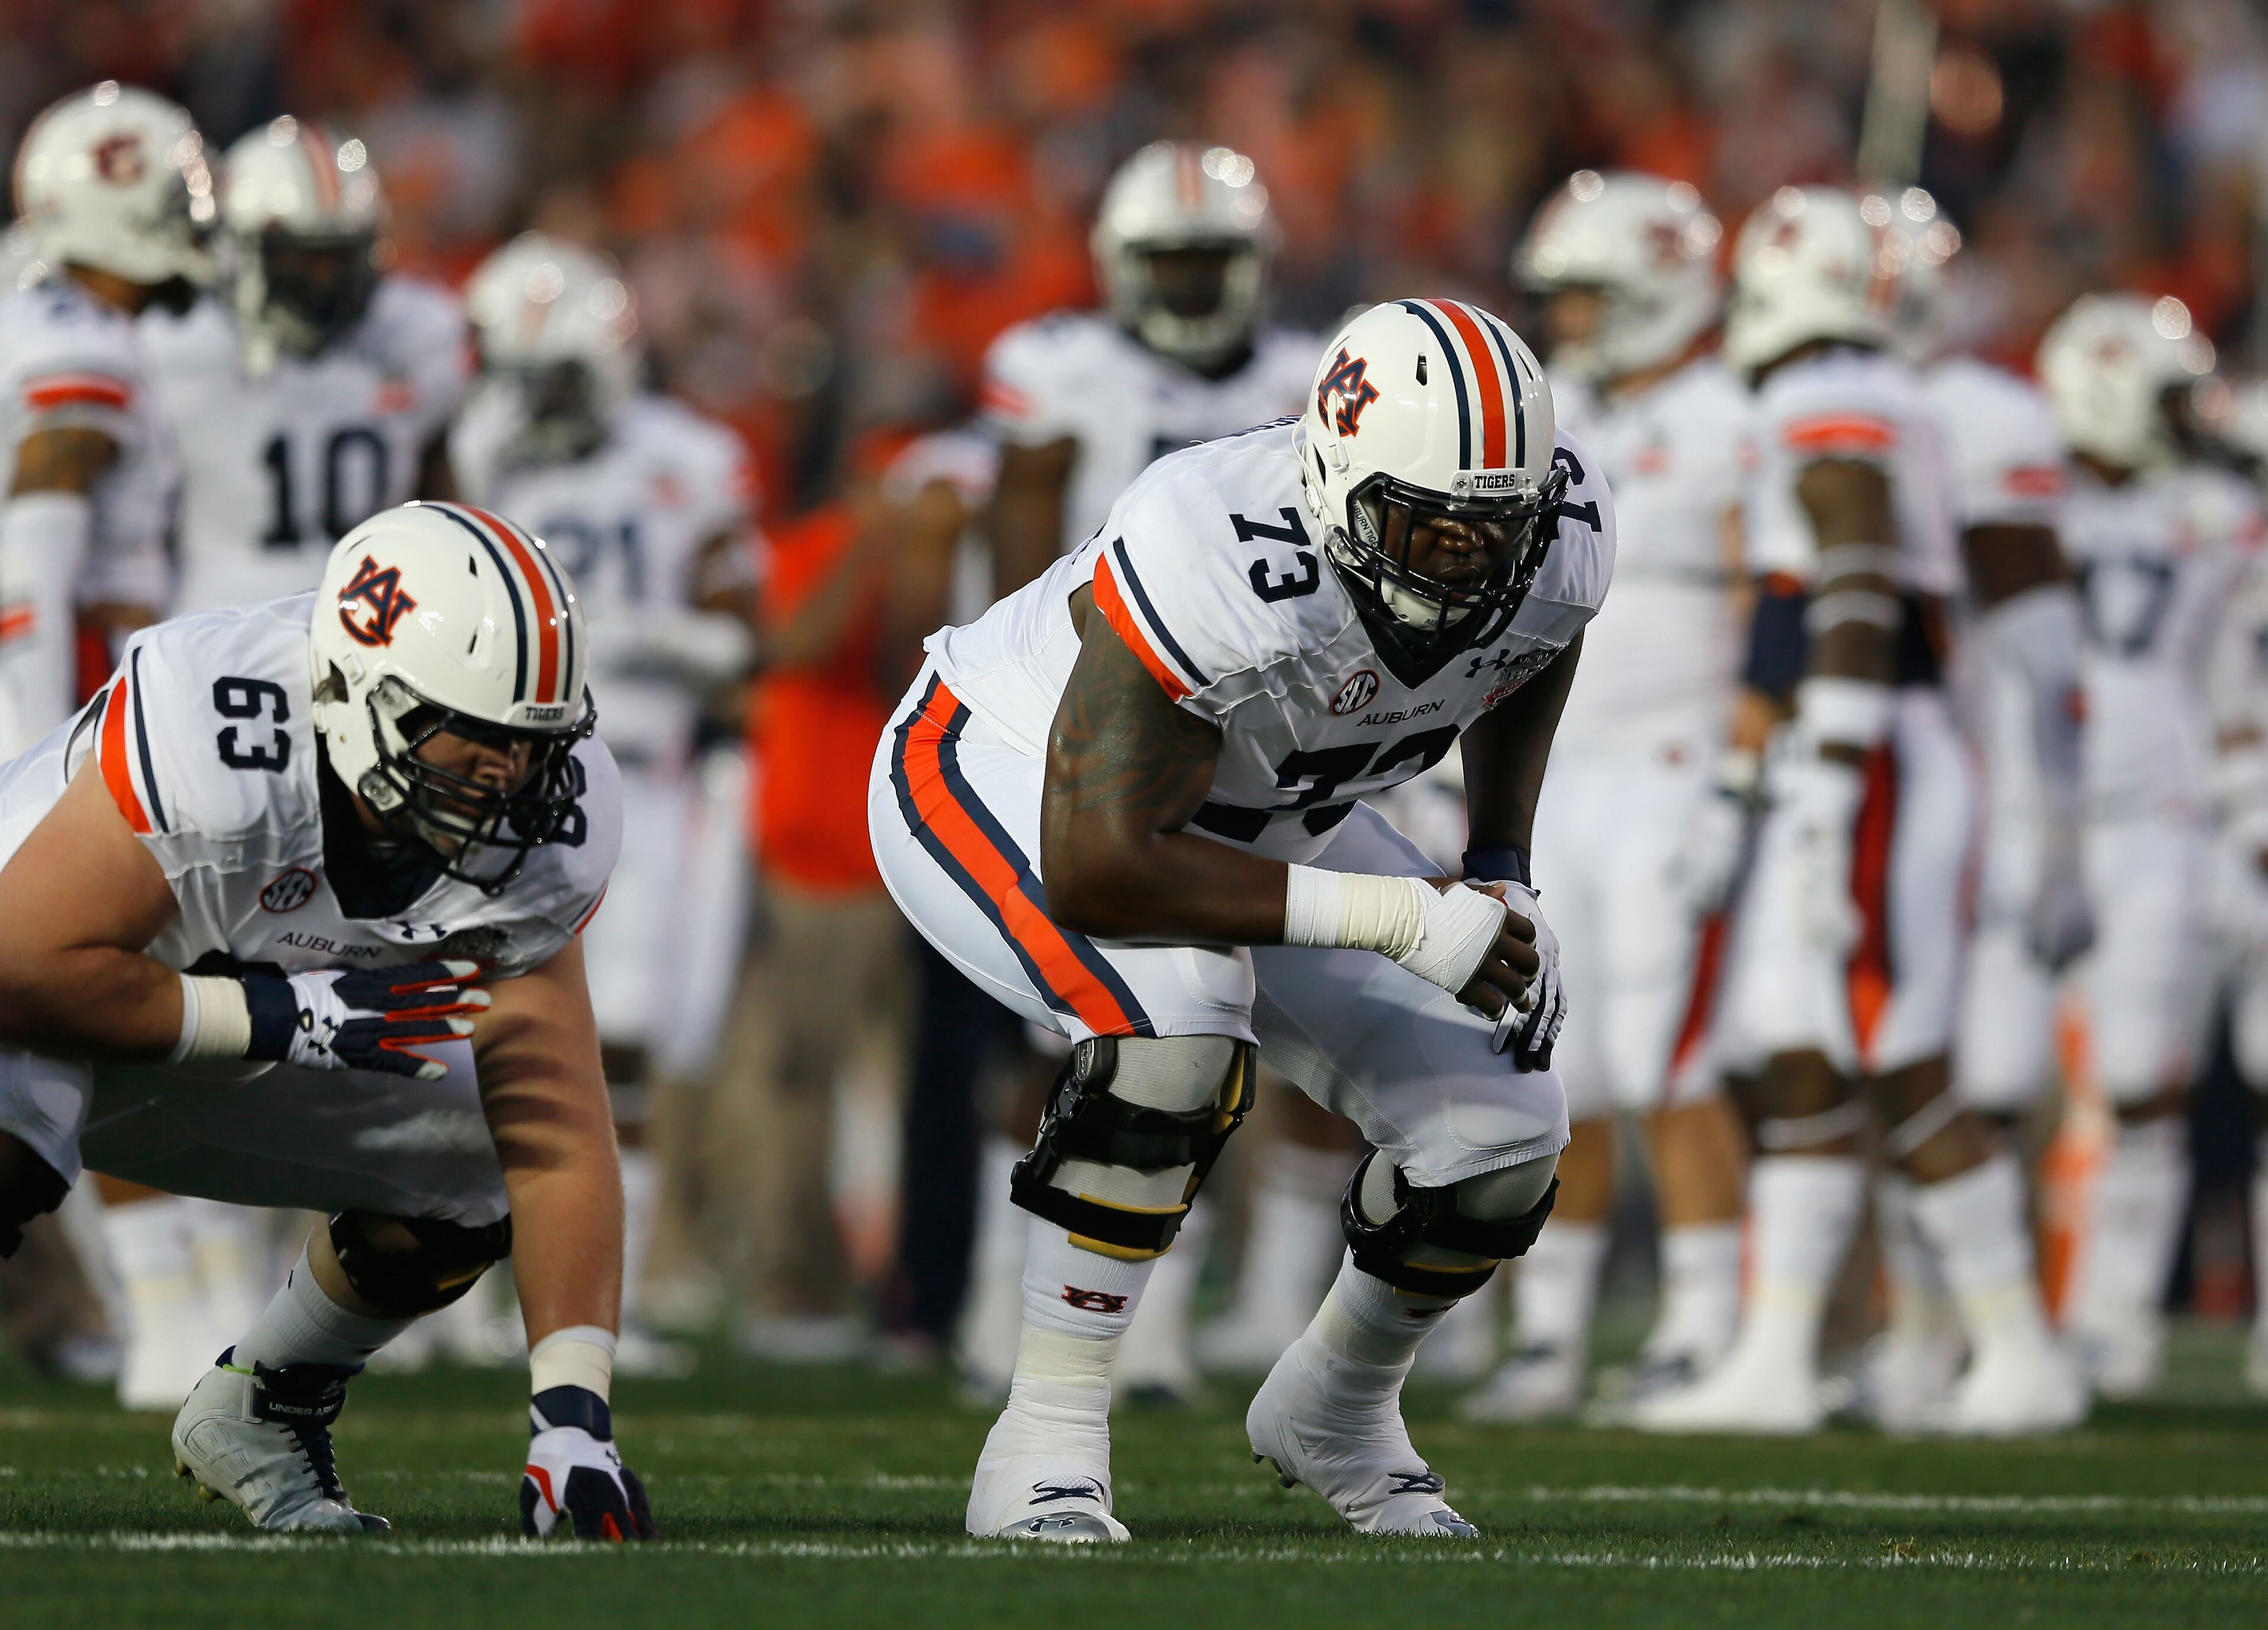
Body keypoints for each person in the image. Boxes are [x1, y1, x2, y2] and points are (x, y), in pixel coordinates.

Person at [871, 297, 1614, 1540]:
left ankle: (1339, 1406)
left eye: (1492, 533)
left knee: (1504, 1125)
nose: (1462, 563)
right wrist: (1402, 918)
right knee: (1179, 1022)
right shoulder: (1210, 532)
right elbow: (1104, 865)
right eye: (1424, 527)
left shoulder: (1562, 529)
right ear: (1333, 481)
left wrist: (1497, 868)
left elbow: (1533, 649)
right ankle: (1045, 1431)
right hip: (1006, 770)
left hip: (1267, 816)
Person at [0, 503, 651, 1541]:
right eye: (477, 741)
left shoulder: (543, 827)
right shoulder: (223, 723)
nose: (510, 781)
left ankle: (263, 1406)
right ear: (354, 694)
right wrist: (271, 1017)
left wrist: (574, 1420)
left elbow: (560, 1129)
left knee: (484, 1148)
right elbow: (21, 968)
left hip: (232, 1031)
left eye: (532, 748)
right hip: (54, 1001)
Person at [1635, 187, 2083, 1437]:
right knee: (1800, 1039)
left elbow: (1854, 577)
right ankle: (1778, 1353)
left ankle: (2016, 1349)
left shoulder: (1839, 395)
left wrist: (1828, 781)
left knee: (1895, 1045)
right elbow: (1791, 619)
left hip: (1878, 749)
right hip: (1851, 745)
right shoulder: (1853, 395)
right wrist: (1748, 783)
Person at [117, 115, 471, 1407]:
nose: (324, 279)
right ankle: (184, 1297)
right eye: (297, 253)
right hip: (216, 676)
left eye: (340, 252)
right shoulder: (169, 346)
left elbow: (443, 501)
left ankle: (351, 1246)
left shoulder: (421, 338)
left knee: (361, 975)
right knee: (185, 966)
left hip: (376, 688)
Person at [963, 140, 1320, 1403]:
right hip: (1093, 719)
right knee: (1071, 1027)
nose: (1184, 284)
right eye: (1166, 260)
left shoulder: (1307, 380)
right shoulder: (1058, 368)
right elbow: (1015, 545)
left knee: (1215, 1025)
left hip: (1257, 741)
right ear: (1120, 265)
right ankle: (1000, 1294)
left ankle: (1192, 1306)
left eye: (1207, 259)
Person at [1462, 169, 1753, 1423]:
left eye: (1590, 297)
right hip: (1559, 774)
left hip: (1678, 771)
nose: (1569, 321)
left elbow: (1770, 599)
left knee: (1667, 1055)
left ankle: (1702, 1323)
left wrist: (1747, 773)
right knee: (1547, 1054)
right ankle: (1552, 1330)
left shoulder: (1736, 415)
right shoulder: (1560, 412)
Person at [455, 233, 757, 1371]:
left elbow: (744, 634)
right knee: (485, 1030)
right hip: (496, 778)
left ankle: (594, 1296)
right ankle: (468, 1291)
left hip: (640, 769)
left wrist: (644, 635)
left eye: (559, 374)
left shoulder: (690, 456)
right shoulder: (473, 449)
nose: (539, 400)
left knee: (622, 1036)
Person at [3, 83, 216, 1410]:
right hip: (44, 707)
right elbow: (41, 546)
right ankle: (161, 1318)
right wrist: (32, 743)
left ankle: (158, 1311)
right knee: (89, 1000)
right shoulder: (81, 339)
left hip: (49, 694)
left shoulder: (37, 310)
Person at [2022, 294, 2262, 1399]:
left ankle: (2116, 1319)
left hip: (2163, 821)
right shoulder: (2019, 493)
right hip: (2035, 815)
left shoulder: (2217, 509)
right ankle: (1976, 1323)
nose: (2184, 417)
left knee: (2142, 1078)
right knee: (1988, 1074)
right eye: (2165, 395)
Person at [1887, 191, 2093, 1426]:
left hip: (1985, 782)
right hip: (1921, 779)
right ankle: (1922, 1340)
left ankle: (2013, 1342)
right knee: (1884, 1062)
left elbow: (2045, 654)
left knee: (1971, 1069)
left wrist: (2057, 834)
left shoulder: (1983, 416)